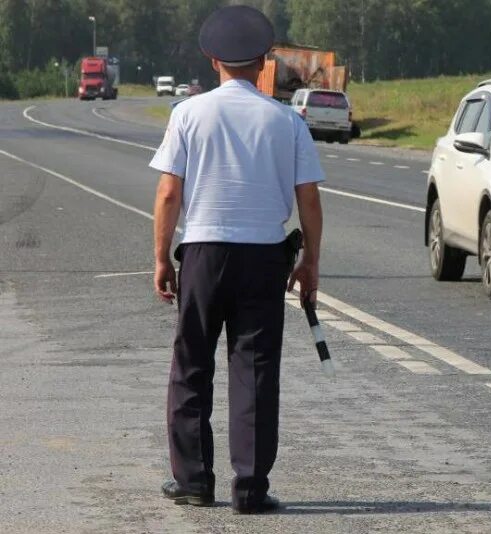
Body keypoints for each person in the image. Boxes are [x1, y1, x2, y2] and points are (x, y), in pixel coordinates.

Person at [150, 5, 325, 515]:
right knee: (255, 368)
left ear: (212, 61)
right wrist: (310, 262)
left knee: (191, 365)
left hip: (203, 251)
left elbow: (168, 193)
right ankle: (249, 486)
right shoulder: (286, 120)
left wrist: (162, 257)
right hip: (265, 257)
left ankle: (194, 481)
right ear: (264, 61)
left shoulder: (188, 114)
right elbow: (309, 199)